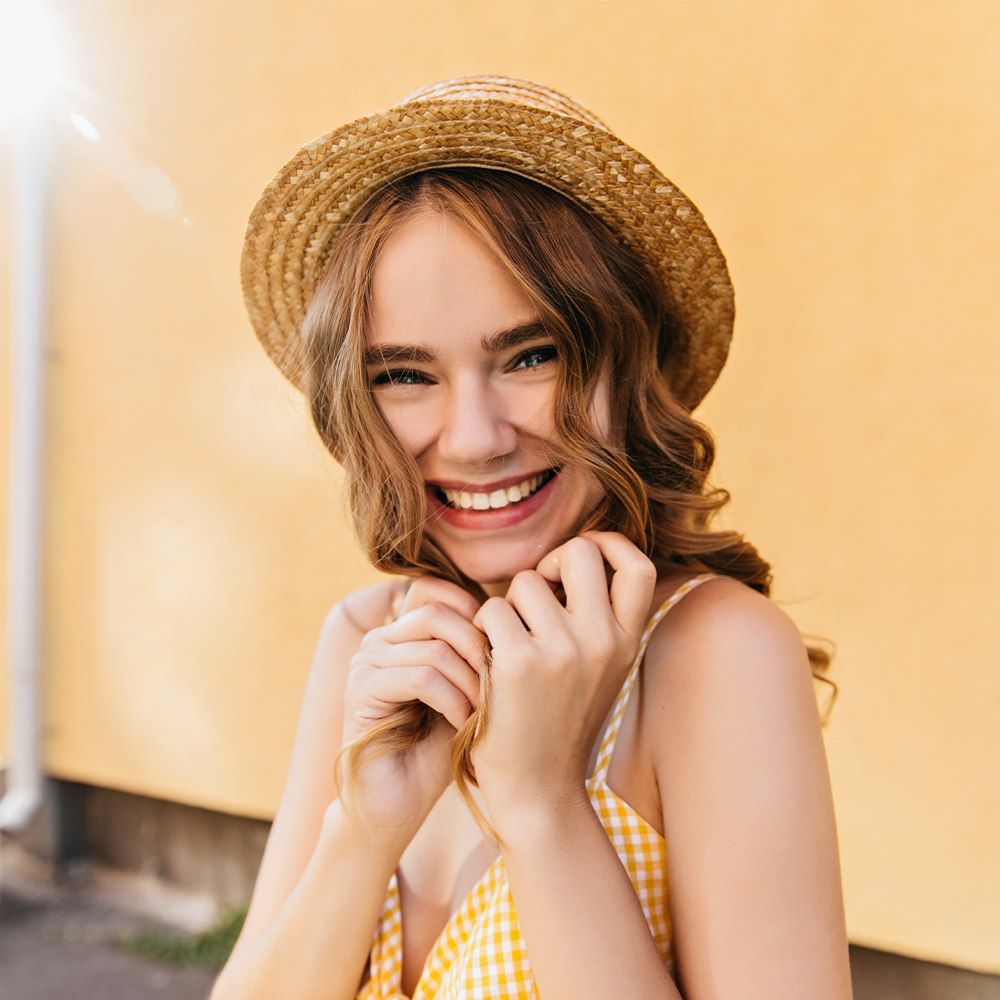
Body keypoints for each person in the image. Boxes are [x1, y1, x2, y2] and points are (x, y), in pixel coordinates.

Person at [213, 77, 852, 999]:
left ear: (620, 366)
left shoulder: (712, 653)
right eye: (404, 374)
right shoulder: (368, 637)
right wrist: (364, 831)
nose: (474, 437)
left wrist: (544, 804)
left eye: (530, 355)